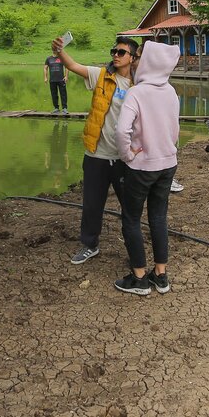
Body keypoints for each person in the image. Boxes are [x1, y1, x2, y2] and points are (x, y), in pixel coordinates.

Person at [51, 35, 139, 265]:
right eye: (114, 51)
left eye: (121, 52)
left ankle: (134, 248)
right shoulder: (101, 75)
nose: (116, 56)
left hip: (124, 157)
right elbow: (72, 66)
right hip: (96, 154)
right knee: (92, 203)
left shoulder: (140, 85)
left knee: (130, 205)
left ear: (133, 57)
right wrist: (59, 51)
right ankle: (89, 244)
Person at [114, 40, 181, 295]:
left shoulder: (137, 92)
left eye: (139, 57)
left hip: (141, 167)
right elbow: (174, 130)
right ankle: (160, 275)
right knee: (159, 217)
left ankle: (139, 277)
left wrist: (127, 155)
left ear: (149, 63)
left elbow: (122, 130)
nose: (136, 61)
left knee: (131, 218)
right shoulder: (171, 91)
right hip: (167, 164)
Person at [43, 50, 69, 115]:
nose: (55, 51)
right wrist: (45, 77)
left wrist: (66, 76)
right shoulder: (48, 59)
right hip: (52, 80)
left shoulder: (61, 58)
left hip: (61, 79)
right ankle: (56, 108)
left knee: (63, 94)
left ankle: (64, 108)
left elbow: (67, 67)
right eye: (54, 49)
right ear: (52, 50)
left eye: (56, 50)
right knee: (54, 94)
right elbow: (45, 68)